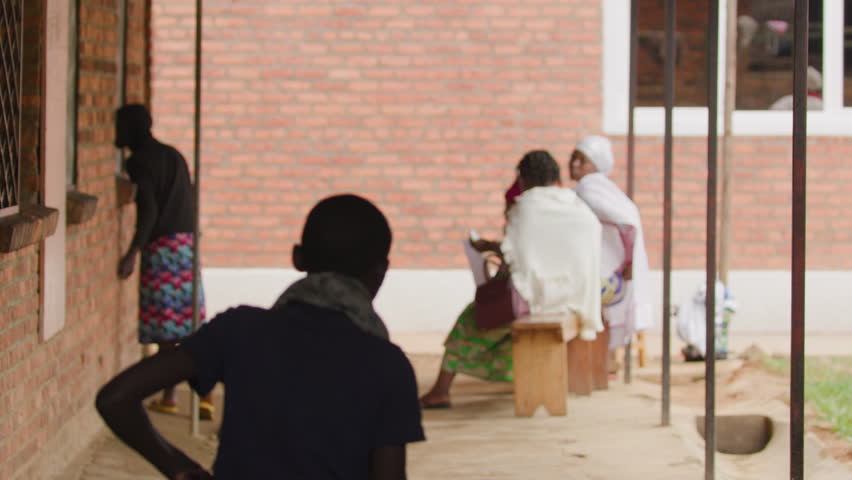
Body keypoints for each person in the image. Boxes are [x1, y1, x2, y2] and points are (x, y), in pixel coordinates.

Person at [96, 194, 425, 480]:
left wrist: (177, 465)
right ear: (381, 271)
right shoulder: (388, 366)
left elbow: (116, 399)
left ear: (298, 258)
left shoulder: (237, 329)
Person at [420, 150, 603, 409]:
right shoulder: (577, 206)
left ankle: (440, 390)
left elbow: (515, 258)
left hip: (535, 300)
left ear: (523, 177)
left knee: (469, 320)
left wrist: (488, 248)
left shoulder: (526, 206)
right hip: (576, 299)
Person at [114, 104, 214, 419]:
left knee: (166, 328)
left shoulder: (139, 161)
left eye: (118, 125)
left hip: (163, 251)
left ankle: (172, 395)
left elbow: (150, 211)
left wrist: (133, 252)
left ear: (131, 129)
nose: (115, 132)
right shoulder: (172, 155)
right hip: (187, 247)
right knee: (187, 324)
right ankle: (203, 394)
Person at [569, 135, 653, 354]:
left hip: (605, 277)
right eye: (573, 158)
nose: (574, 164)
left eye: (582, 160)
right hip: (615, 276)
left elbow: (627, 222)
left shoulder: (588, 189)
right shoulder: (606, 190)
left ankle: (589, 361)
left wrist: (630, 261)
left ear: (595, 166)